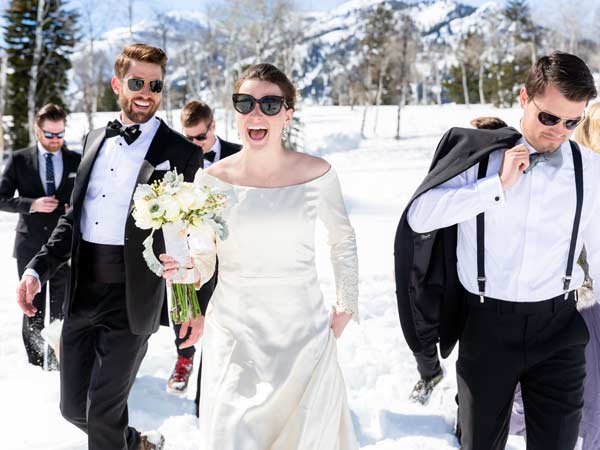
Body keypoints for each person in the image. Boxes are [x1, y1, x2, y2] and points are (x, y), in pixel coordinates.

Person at [395, 51, 600, 450]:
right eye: (549, 117)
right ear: (524, 99)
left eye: (572, 122)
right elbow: (419, 217)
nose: (560, 131)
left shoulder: (590, 170)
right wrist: (495, 188)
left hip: (559, 327)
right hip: (486, 327)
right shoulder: (479, 156)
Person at [161, 63, 359, 449]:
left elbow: (342, 239)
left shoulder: (317, 173)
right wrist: (184, 270)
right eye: (246, 103)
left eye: (270, 104)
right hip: (234, 335)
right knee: (232, 437)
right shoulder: (211, 180)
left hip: (302, 335)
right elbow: (203, 258)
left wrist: (347, 303)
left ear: (288, 113)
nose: (257, 113)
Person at [16, 43, 202, 450]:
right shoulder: (94, 138)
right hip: (82, 294)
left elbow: (185, 236)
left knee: (102, 412)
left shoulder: (182, 153)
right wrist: (35, 270)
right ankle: (135, 445)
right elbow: (72, 219)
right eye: (137, 82)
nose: (146, 92)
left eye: (155, 84)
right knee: (73, 408)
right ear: (118, 84)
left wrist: (188, 305)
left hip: (133, 298)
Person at [410, 115, 508, 406]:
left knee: (475, 352)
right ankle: (431, 375)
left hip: (485, 285)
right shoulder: (457, 177)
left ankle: (464, 410)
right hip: (448, 270)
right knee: (425, 323)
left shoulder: (504, 178)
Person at [166, 100, 241, 407]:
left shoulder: (240, 154)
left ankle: (210, 393)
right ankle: (184, 357)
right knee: (183, 307)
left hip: (232, 252)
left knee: (223, 322)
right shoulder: (178, 159)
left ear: (214, 127)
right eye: (188, 138)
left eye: (200, 137)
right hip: (190, 249)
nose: (194, 144)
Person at [0, 103, 80, 369]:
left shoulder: (75, 160)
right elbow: (1, 198)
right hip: (29, 245)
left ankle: (58, 362)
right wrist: (30, 204)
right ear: (37, 130)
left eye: (60, 135)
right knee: (33, 307)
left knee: (61, 306)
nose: (56, 140)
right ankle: (36, 363)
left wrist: (73, 206)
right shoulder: (19, 159)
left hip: (63, 247)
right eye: (49, 135)